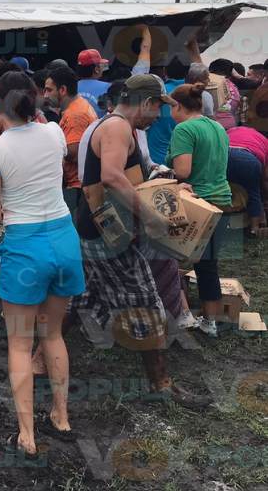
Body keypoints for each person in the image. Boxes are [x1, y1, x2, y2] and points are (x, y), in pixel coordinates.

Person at [72, 75, 205, 406]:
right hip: (110, 235)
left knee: (82, 298)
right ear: (145, 102)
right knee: (147, 307)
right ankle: (161, 385)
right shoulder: (117, 127)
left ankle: (38, 360)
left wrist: (172, 186)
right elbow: (112, 176)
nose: (159, 115)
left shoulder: (122, 128)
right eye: (158, 107)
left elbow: (138, 175)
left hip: (98, 230)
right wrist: (151, 218)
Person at [0, 71, 84, 458]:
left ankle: (27, 434)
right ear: (35, 98)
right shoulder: (54, 132)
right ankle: (61, 415)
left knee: (20, 345)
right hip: (63, 238)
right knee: (52, 335)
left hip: (25, 245)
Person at [168, 83, 232, 338]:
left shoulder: (184, 129)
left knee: (168, 258)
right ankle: (211, 321)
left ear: (178, 107)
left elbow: (183, 171)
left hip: (197, 202)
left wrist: (162, 173)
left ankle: (181, 313)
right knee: (208, 264)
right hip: (222, 199)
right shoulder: (217, 126)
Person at [43, 67, 97, 196]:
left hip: (77, 189)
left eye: (49, 90)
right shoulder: (78, 106)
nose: (45, 95)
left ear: (62, 90)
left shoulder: (75, 115)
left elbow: (73, 153)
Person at [226, 125, 268, 236]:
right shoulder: (263, 140)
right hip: (248, 159)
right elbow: (264, 177)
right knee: (253, 192)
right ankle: (254, 228)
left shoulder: (231, 130)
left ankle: (221, 224)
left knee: (221, 189)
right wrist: (264, 197)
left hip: (223, 155)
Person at [76, 48, 111, 117]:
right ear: (96, 69)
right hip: (100, 127)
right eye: (100, 65)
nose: (102, 68)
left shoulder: (71, 87)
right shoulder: (108, 87)